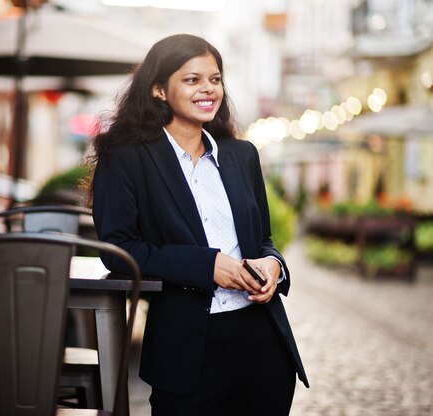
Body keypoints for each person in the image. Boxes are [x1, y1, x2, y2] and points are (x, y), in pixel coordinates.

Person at [85, 34, 309, 415]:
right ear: (158, 89)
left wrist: (274, 265)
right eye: (192, 80)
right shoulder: (124, 156)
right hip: (186, 345)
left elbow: (263, 240)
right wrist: (208, 266)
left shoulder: (242, 155)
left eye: (215, 79)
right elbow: (120, 250)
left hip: (263, 343)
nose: (208, 88)